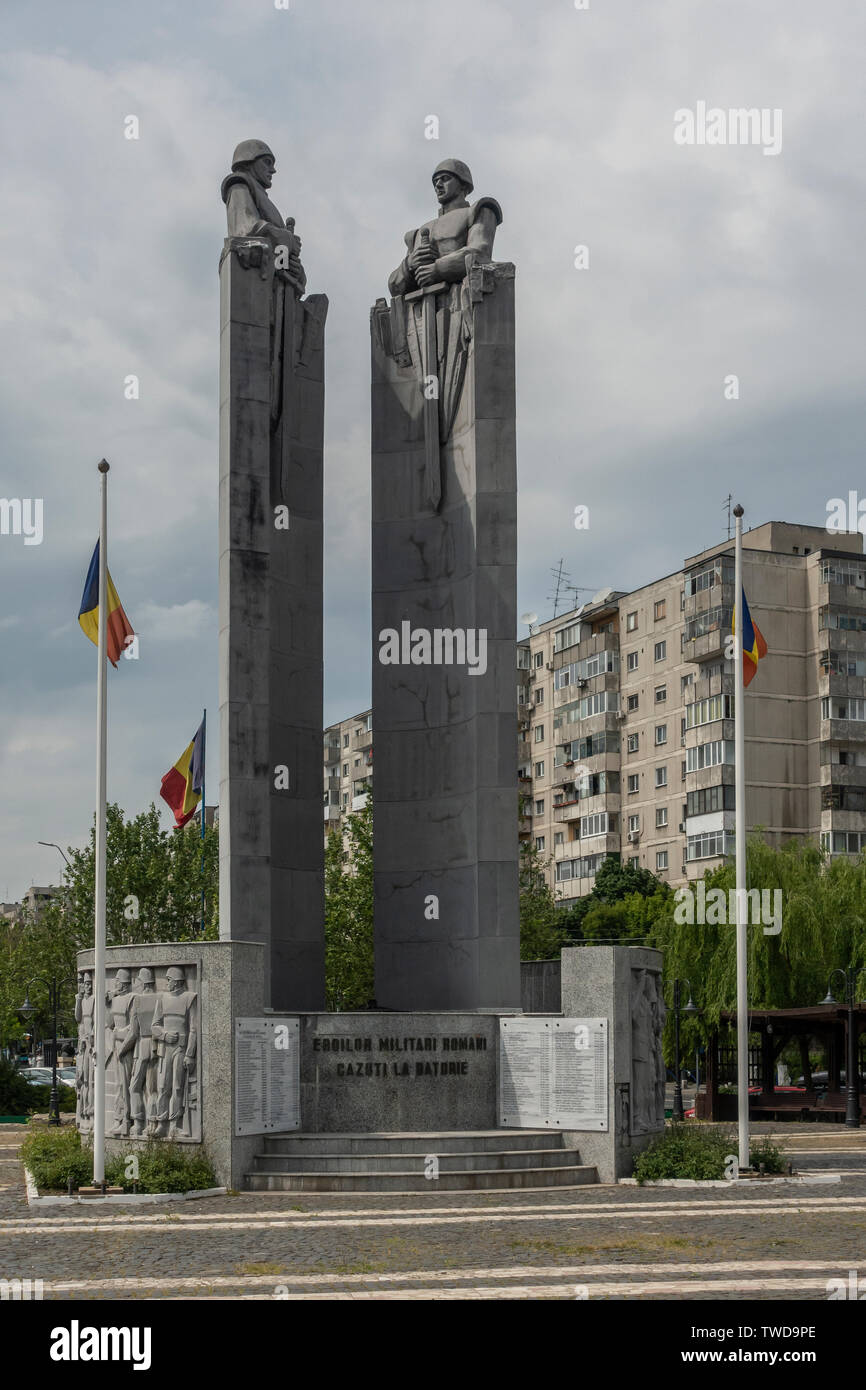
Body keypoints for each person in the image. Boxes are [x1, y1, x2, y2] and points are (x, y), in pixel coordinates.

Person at [388, 158, 502, 297]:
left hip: (460, 300)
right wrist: (408, 265)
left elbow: (480, 253)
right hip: (423, 311)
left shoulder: (478, 211)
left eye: (445, 179)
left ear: (463, 185)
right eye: (435, 182)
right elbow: (395, 288)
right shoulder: (419, 232)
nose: (438, 185)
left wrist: (438, 270)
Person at [152, 967, 197, 1140]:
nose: (167, 983)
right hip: (165, 1048)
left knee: (178, 1087)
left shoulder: (189, 998)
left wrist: (190, 1054)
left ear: (177, 981)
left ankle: (174, 1125)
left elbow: (193, 1029)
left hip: (181, 1048)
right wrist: (164, 1035)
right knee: (163, 1087)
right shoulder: (162, 999)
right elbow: (154, 1026)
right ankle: (161, 1124)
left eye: (169, 979)